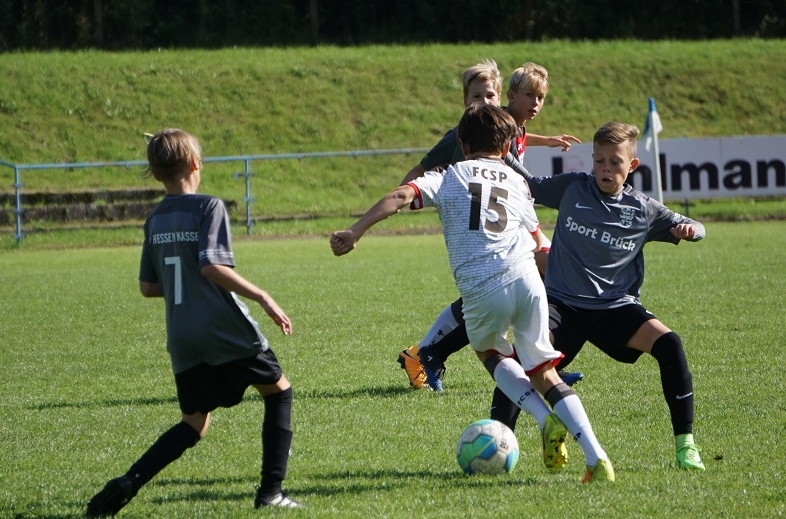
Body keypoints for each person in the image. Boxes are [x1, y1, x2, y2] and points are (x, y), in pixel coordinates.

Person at [332, 104, 614, 482]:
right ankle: (597, 458)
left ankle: (544, 419)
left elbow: (400, 196)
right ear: (506, 146)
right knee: (545, 372)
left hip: (484, 286)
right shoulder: (518, 182)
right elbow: (539, 246)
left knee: (490, 352)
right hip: (529, 282)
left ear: (463, 144)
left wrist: (355, 231)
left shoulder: (448, 175)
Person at [86, 128, 301, 517]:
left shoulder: (154, 218)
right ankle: (271, 492)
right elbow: (211, 266)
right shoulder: (208, 206)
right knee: (278, 392)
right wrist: (263, 296)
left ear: (155, 174)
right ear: (194, 164)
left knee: (194, 422)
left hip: (182, 335)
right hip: (222, 327)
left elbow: (148, 287)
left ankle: (129, 481)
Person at [504, 120, 707, 471]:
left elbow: (698, 226)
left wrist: (691, 231)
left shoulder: (644, 209)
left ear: (632, 165)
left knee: (670, 344)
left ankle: (685, 446)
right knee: (522, 360)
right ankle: (501, 437)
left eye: (615, 162)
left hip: (614, 308)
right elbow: (529, 183)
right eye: (599, 161)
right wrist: (501, 153)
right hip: (562, 305)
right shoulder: (573, 188)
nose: (606, 169)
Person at [397, 62, 583, 397]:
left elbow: (519, 136)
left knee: (523, 284)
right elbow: (423, 167)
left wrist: (547, 141)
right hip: (484, 225)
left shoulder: (507, 126)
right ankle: (433, 352)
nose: (484, 102)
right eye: (476, 96)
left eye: (489, 96)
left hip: (508, 220)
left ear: (501, 98)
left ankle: (429, 352)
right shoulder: (468, 133)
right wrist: (402, 195)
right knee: (531, 280)